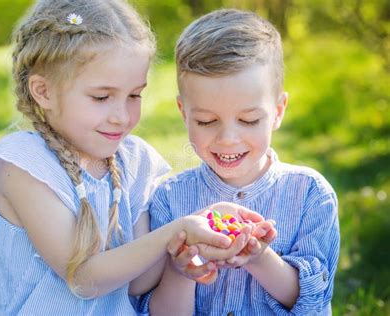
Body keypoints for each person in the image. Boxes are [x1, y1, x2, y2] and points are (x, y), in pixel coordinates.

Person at [0, 1, 264, 315]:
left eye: (134, 95)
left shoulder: (135, 161)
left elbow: (138, 282)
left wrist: (194, 233)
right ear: (43, 91)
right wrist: (175, 230)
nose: (121, 116)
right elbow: (83, 279)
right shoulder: (22, 165)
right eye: (101, 97)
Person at [143, 8, 340, 315]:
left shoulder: (310, 194)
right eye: (207, 121)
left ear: (277, 111)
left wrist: (259, 258)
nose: (228, 139)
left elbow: (312, 303)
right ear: (184, 113)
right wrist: (182, 271)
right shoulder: (169, 200)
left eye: (248, 120)